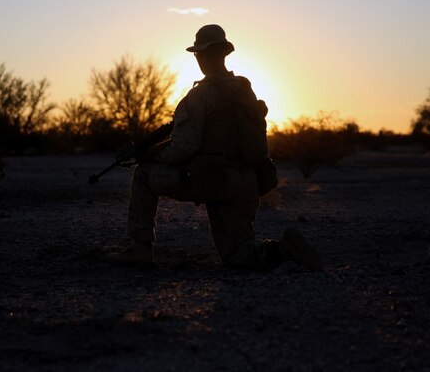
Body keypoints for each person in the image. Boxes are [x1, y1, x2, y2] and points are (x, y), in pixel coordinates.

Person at [106, 24, 323, 271]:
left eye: (198, 54)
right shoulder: (245, 91)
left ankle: (139, 248)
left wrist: (146, 156)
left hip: (211, 179)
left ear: (201, 55)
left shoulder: (199, 96)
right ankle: (284, 248)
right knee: (239, 257)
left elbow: (183, 148)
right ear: (224, 53)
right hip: (246, 182)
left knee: (143, 175)